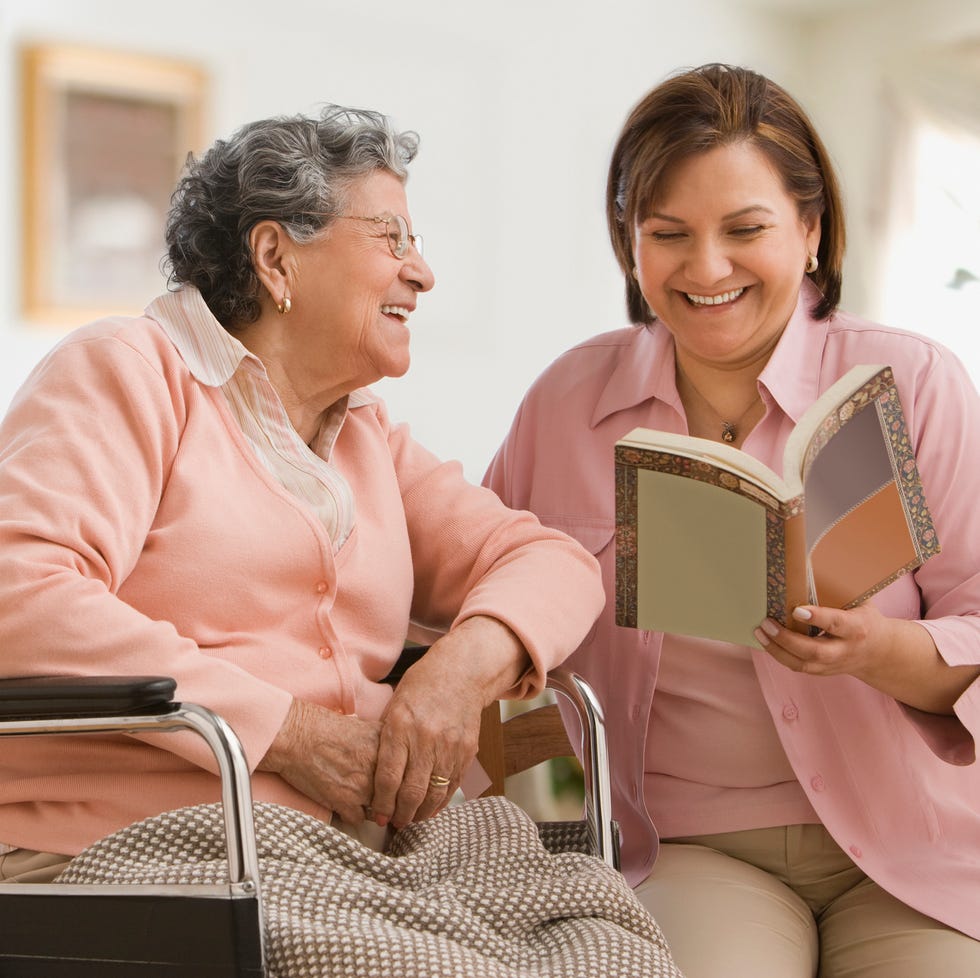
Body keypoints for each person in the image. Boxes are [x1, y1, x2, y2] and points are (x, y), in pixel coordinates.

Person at [0, 105, 605, 884]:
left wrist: (456, 675)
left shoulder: (365, 434)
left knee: (596, 929)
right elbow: (22, 594)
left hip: (343, 855)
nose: (422, 272)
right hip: (143, 850)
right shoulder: (128, 372)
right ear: (276, 258)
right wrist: (287, 734)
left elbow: (553, 563)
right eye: (392, 239)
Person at [484, 63, 980, 977]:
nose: (706, 269)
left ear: (811, 229)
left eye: (744, 230)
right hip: (692, 848)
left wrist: (878, 650)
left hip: (919, 847)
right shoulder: (567, 402)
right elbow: (487, 587)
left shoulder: (909, 383)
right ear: (629, 242)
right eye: (667, 234)